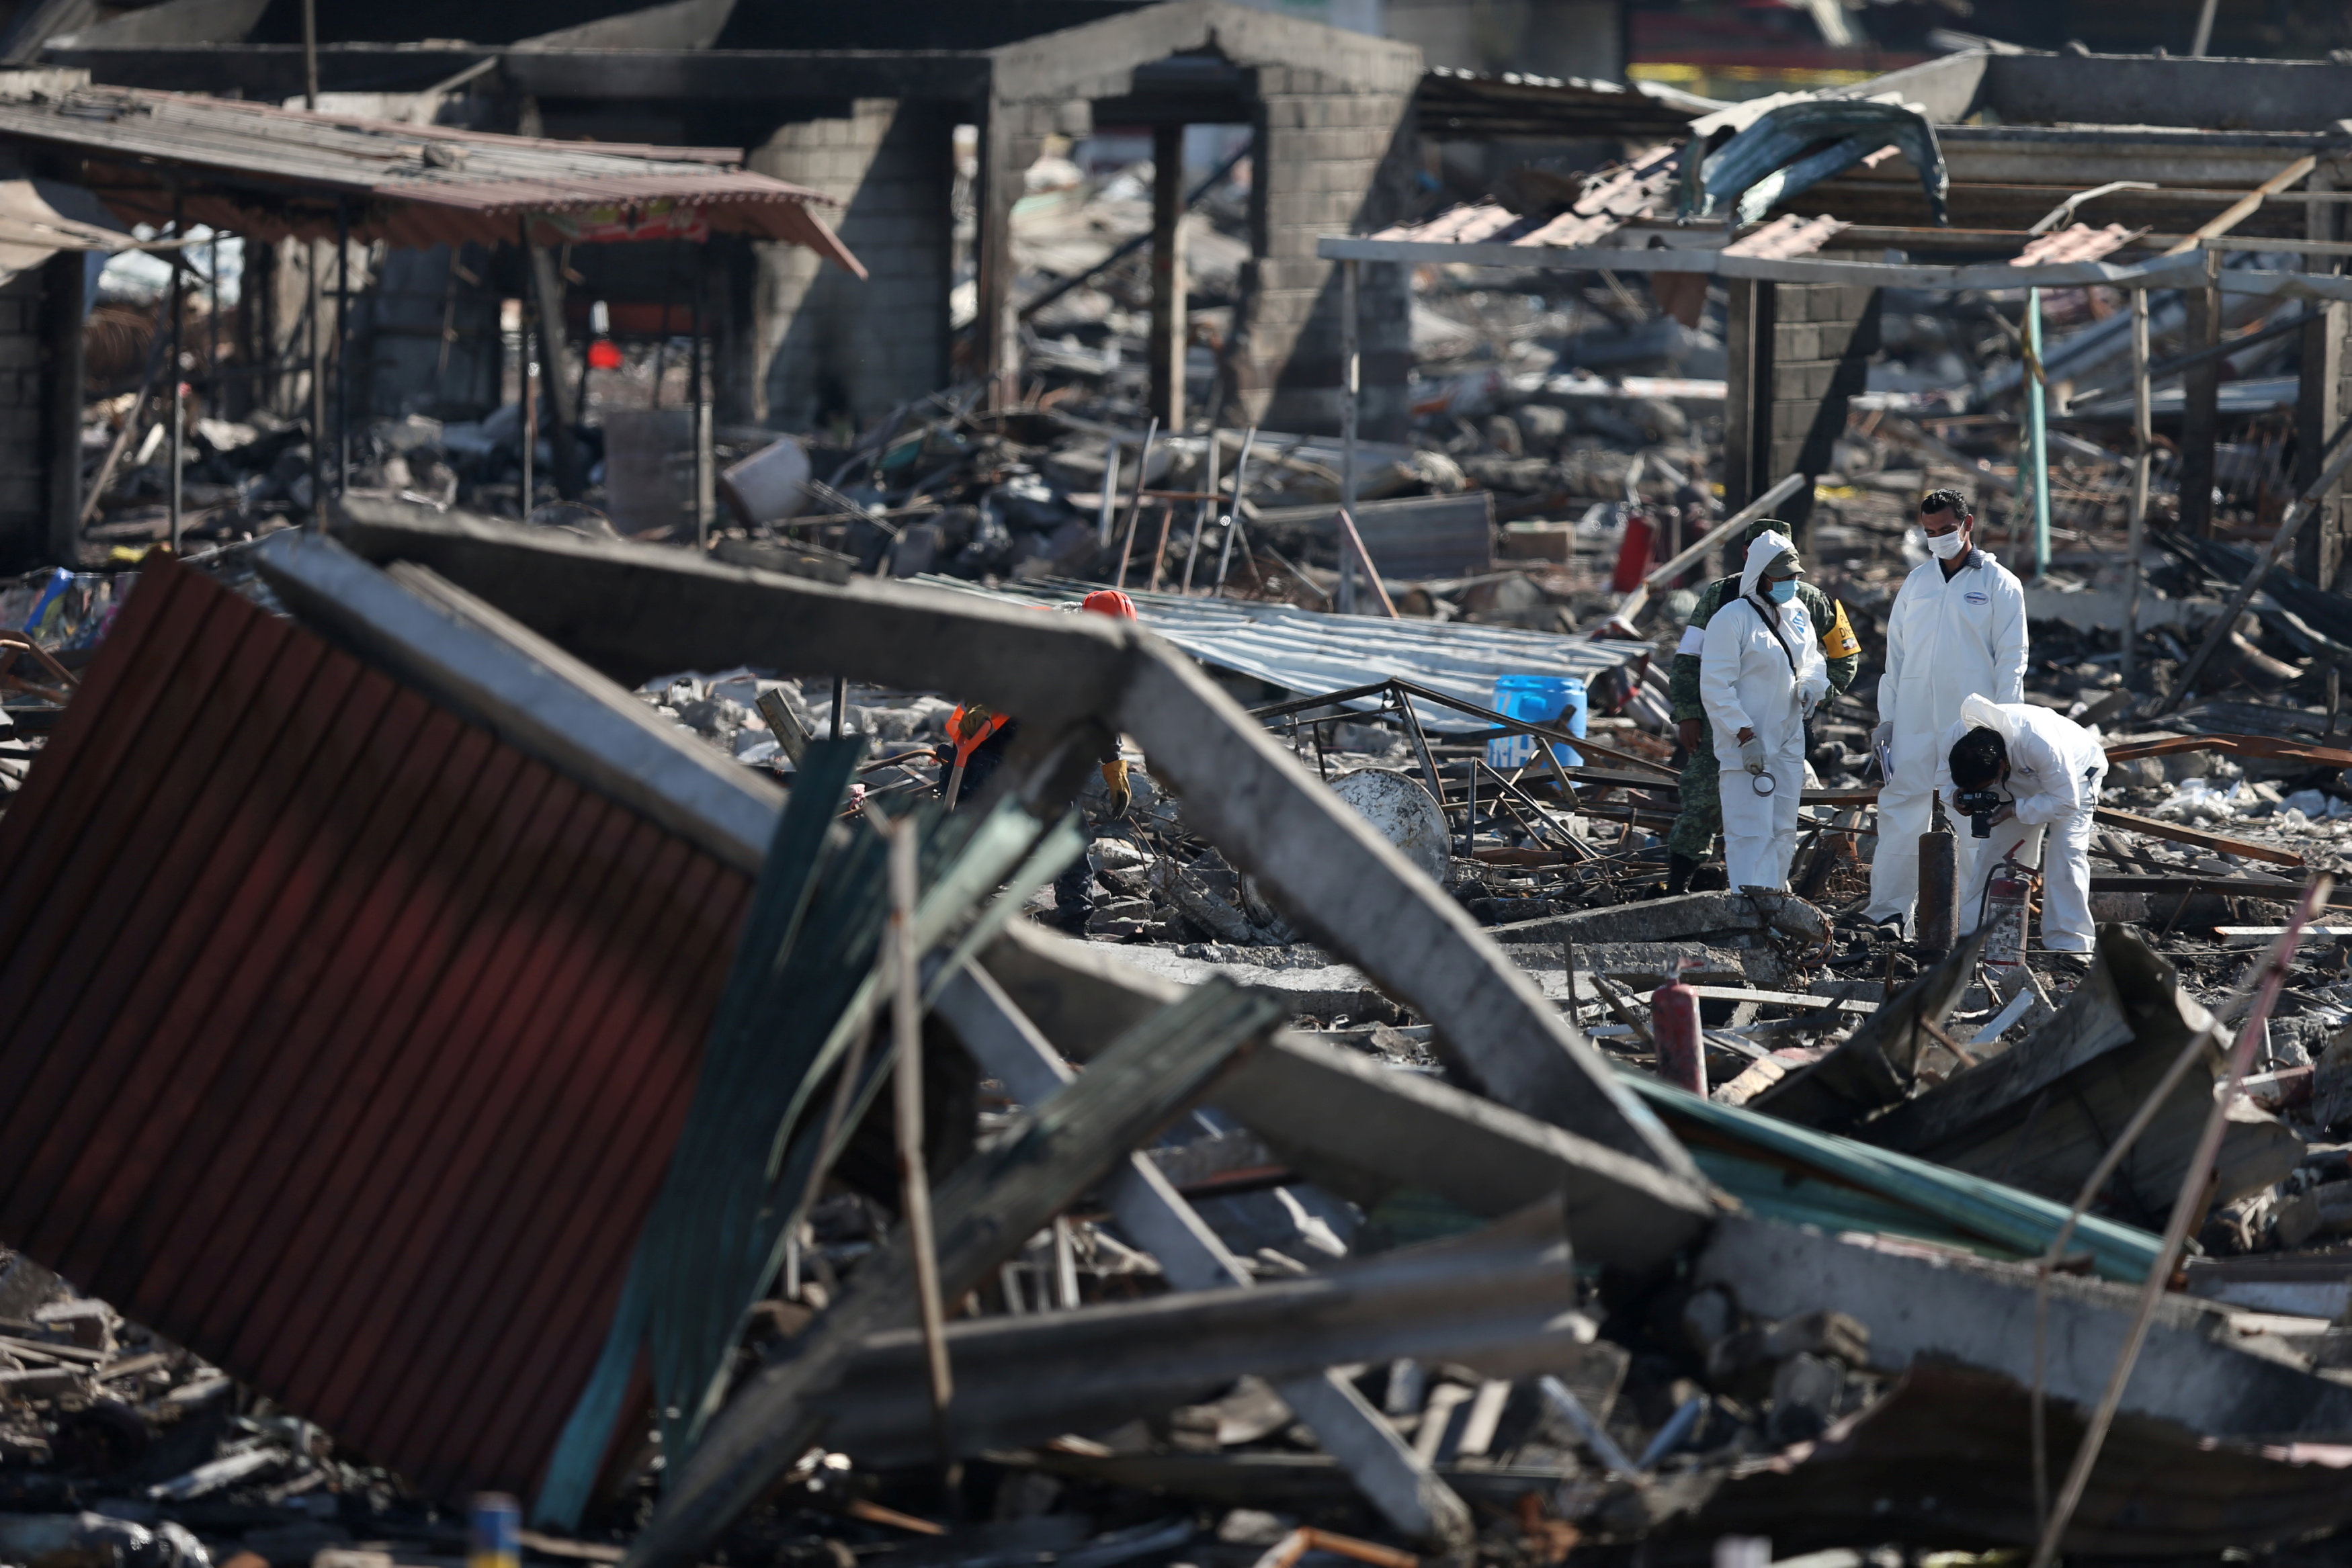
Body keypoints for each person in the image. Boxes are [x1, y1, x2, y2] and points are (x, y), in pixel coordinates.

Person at [1665, 517, 1862, 895]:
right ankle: (1680, 889)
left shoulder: (1809, 602)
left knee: (1781, 819)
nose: (1787, 578)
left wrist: (1815, 694)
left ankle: (1771, 893)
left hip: (1787, 730)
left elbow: (1841, 656)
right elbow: (1693, 660)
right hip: (1728, 727)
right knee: (1708, 805)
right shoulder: (1723, 599)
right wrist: (1688, 712)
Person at [1866, 489, 2028, 934]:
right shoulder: (1917, 583)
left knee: (1971, 819)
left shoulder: (1999, 585)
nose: (1938, 539)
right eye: (1930, 532)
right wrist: (1888, 720)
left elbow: (2011, 662)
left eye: (1946, 530)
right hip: (1915, 722)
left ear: (1968, 524)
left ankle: (1966, 923)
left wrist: (2002, 733)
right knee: (1901, 813)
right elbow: (1895, 658)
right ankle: (1889, 913)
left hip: (1970, 730)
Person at [935, 588, 1138, 932]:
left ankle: (1075, 919)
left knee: (1069, 833)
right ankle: (950, 907)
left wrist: (1113, 763)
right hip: (988, 737)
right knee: (972, 824)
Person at [1699, 533, 1829, 891]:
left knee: (1783, 828)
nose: (1789, 583)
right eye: (1781, 577)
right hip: (1748, 745)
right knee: (1749, 831)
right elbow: (1715, 685)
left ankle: (1773, 902)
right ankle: (1746, 904)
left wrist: (1809, 685)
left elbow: (1814, 661)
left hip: (1789, 738)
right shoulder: (1733, 619)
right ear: (1759, 575)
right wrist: (1744, 734)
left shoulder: (1799, 614)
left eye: (1793, 576)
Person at [1937, 695, 2107, 953]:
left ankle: (2071, 945)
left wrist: (2014, 809)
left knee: (2066, 856)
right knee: (1996, 858)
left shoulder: (2038, 742)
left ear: (2002, 766)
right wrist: (1955, 796)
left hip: (2077, 778)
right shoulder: (1957, 738)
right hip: (2015, 782)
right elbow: (1942, 778)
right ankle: (1975, 939)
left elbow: (2065, 801)